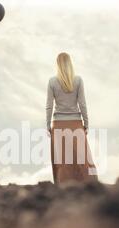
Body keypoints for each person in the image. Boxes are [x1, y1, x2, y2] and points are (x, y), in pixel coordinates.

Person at [46, 52, 97, 184]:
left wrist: (47, 125)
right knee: (83, 158)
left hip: (58, 124)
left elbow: (49, 106)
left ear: (57, 65)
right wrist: (86, 123)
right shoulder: (78, 80)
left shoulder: (52, 81)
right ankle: (89, 186)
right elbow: (82, 104)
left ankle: (63, 187)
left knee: (62, 161)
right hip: (76, 123)